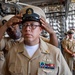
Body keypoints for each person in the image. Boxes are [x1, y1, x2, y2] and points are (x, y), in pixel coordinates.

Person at [2, 6, 72, 75]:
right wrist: (5, 25)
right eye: (24, 25)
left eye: (33, 25)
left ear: (41, 29)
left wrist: (52, 33)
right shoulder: (12, 53)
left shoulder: (55, 53)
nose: (27, 29)